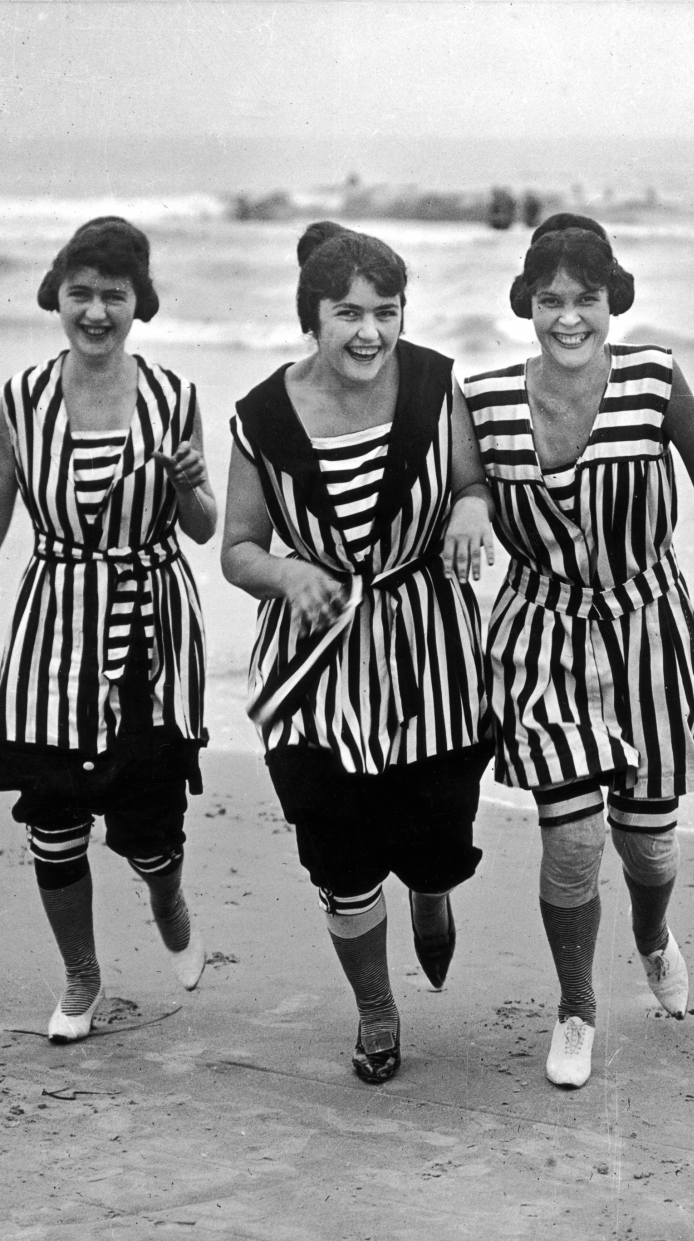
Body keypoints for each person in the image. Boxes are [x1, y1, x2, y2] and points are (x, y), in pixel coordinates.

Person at [463, 214, 694, 1089]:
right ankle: (578, 1006)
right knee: (575, 840)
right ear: (527, 305)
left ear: (612, 299)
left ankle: (653, 935)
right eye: (551, 300)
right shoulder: (481, 399)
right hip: (538, 637)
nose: (570, 318)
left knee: (649, 850)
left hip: (649, 633)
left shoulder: (655, 380)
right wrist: (471, 495)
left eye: (587, 298)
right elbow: (440, 481)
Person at [0, 217, 217, 1043]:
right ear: (58, 296)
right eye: (82, 293)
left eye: (114, 294)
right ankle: (81, 976)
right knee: (54, 820)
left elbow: (207, 527)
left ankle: (168, 896)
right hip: (54, 631)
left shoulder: (175, 397)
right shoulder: (23, 397)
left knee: (150, 835)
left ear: (138, 301)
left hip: (152, 631)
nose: (97, 311)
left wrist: (189, 487)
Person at [221, 222, 495, 1085]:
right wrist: (285, 573)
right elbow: (236, 547)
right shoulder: (260, 418)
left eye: (386, 311)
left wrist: (473, 507)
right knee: (339, 856)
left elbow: (473, 483)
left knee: (437, 841)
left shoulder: (438, 384)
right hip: (316, 673)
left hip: (433, 661)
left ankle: (431, 886)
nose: (370, 331)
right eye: (348, 312)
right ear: (314, 317)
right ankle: (377, 1009)